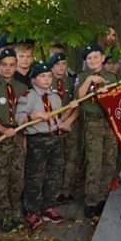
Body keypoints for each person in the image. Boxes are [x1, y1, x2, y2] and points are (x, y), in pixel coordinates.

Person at [0, 48, 28, 232]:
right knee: (0, 177)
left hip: (17, 136)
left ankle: (16, 213)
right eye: (4, 65)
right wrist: (2, 129)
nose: (8, 69)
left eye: (11, 65)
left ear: (16, 66)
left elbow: (25, 111)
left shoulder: (22, 88)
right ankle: (3, 216)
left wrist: (23, 123)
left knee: (17, 177)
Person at [16, 62, 66, 229]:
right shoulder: (28, 96)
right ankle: (32, 211)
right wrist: (32, 117)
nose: (47, 79)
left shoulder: (55, 97)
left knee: (54, 174)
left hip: (55, 138)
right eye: (42, 76)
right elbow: (18, 119)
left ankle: (48, 206)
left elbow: (58, 119)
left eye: (49, 76)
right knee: (35, 176)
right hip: (37, 139)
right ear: (34, 79)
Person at [76, 44, 120, 217]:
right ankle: (91, 201)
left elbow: (119, 99)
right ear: (86, 62)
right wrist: (89, 81)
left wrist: (106, 90)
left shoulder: (111, 76)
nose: (93, 60)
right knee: (94, 162)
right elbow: (79, 97)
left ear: (102, 58)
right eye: (89, 58)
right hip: (92, 124)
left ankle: (103, 198)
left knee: (109, 161)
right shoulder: (82, 76)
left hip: (109, 123)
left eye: (96, 57)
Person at [49, 52, 81, 202]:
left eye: (63, 64)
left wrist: (66, 121)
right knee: (55, 159)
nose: (61, 67)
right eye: (57, 65)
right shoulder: (47, 81)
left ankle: (67, 191)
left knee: (71, 158)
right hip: (52, 126)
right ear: (52, 67)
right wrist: (58, 122)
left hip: (70, 126)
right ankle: (54, 192)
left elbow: (77, 103)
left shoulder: (71, 81)